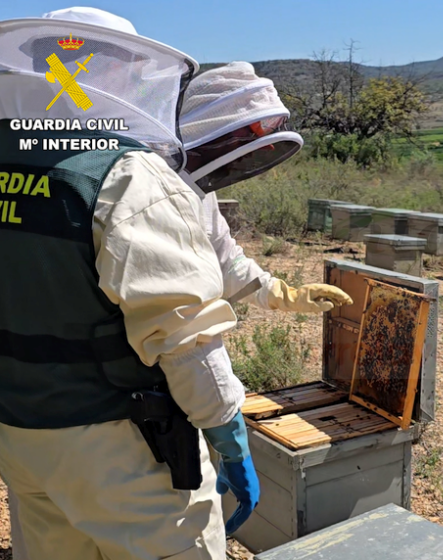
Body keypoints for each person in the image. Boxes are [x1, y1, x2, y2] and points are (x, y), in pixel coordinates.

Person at [0, 7, 255, 559]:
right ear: (111, 74)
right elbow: (185, 334)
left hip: (19, 433)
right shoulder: (125, 174)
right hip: (121, 445)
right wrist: (227, 431)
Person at [177, 61, 354, 312]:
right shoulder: (146, 187)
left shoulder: (204, 193)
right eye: (249, 133)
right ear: (211, 128)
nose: (265, 148)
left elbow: (227, 262)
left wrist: (281, 294)